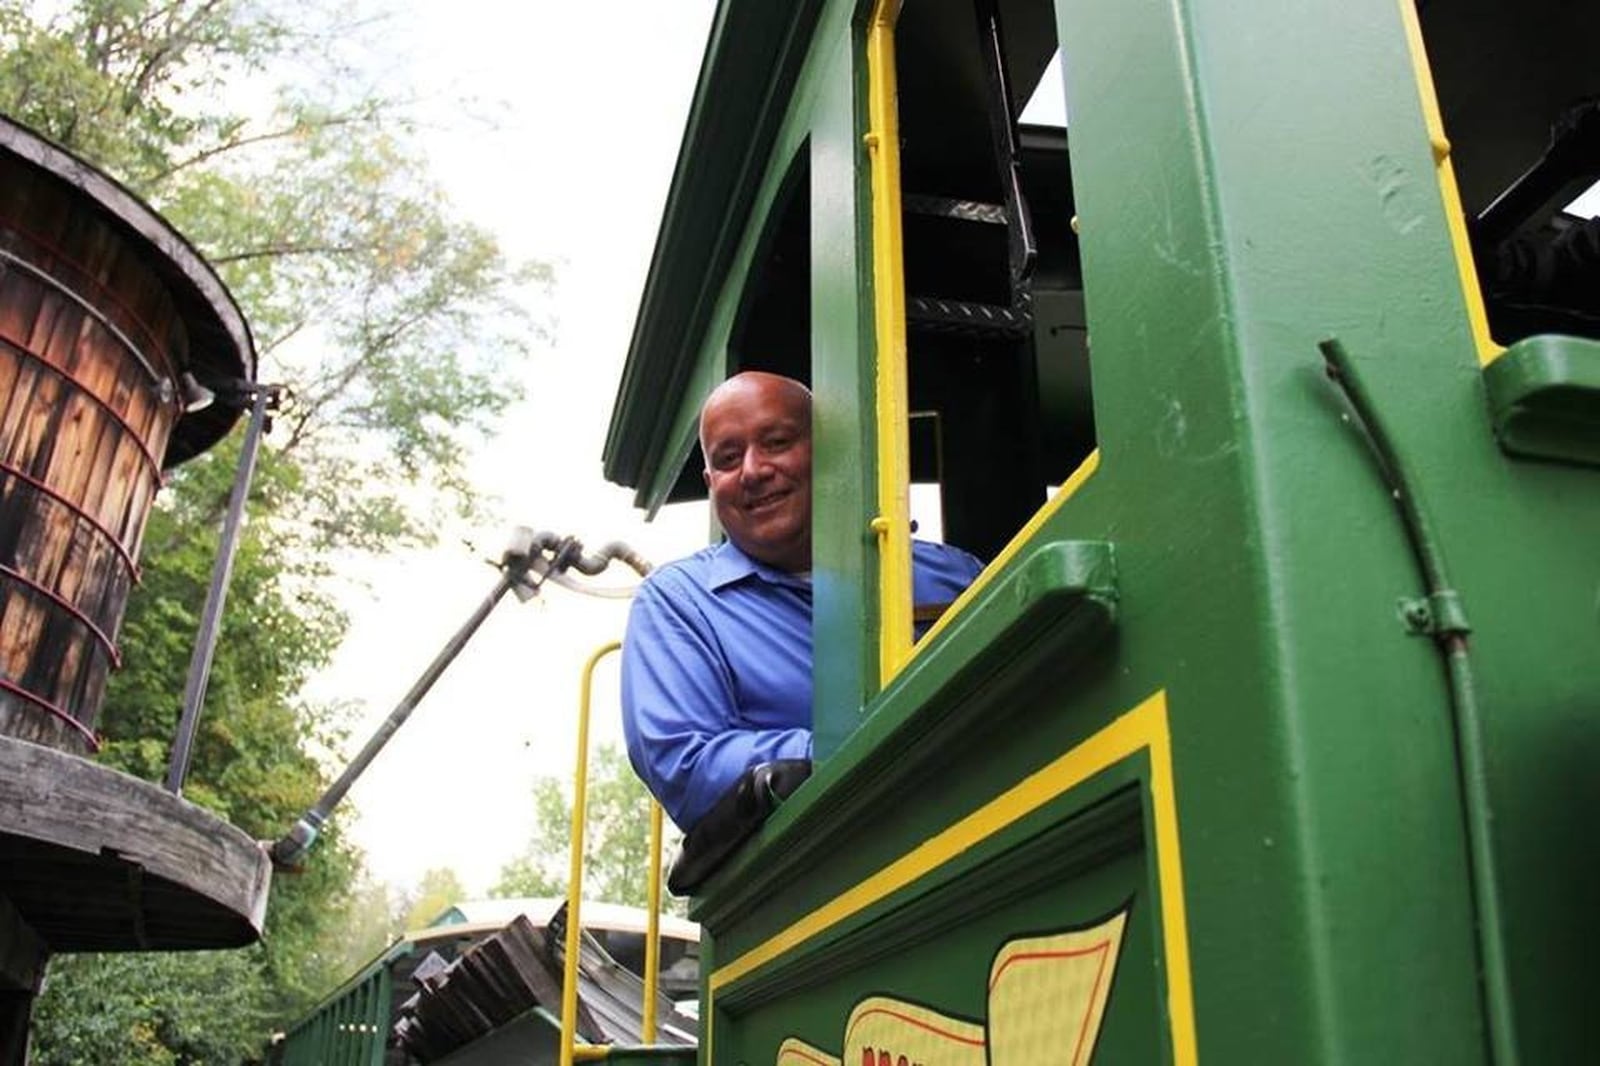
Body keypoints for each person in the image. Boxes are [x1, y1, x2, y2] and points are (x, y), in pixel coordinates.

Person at [620, 371, 983, 831]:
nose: (752, 470)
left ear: (826, 449)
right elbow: (686, 768)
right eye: (728, 459)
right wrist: (881, 745)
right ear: (711, 481)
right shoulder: (677, 603)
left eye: (775, 442)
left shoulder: (955, 576)